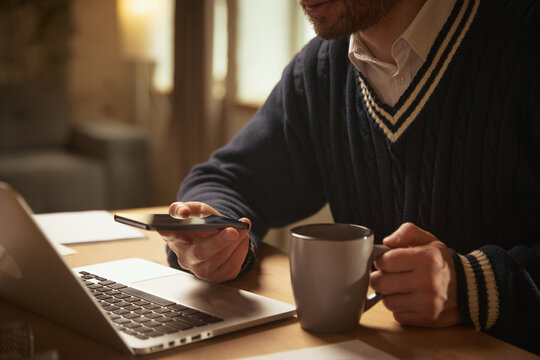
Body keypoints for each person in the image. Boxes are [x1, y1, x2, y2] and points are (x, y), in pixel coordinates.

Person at [159, 0, 540, 354]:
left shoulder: (524, 37)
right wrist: (213, 239)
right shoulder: (320, 70)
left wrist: (475, 287)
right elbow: (228, 180)